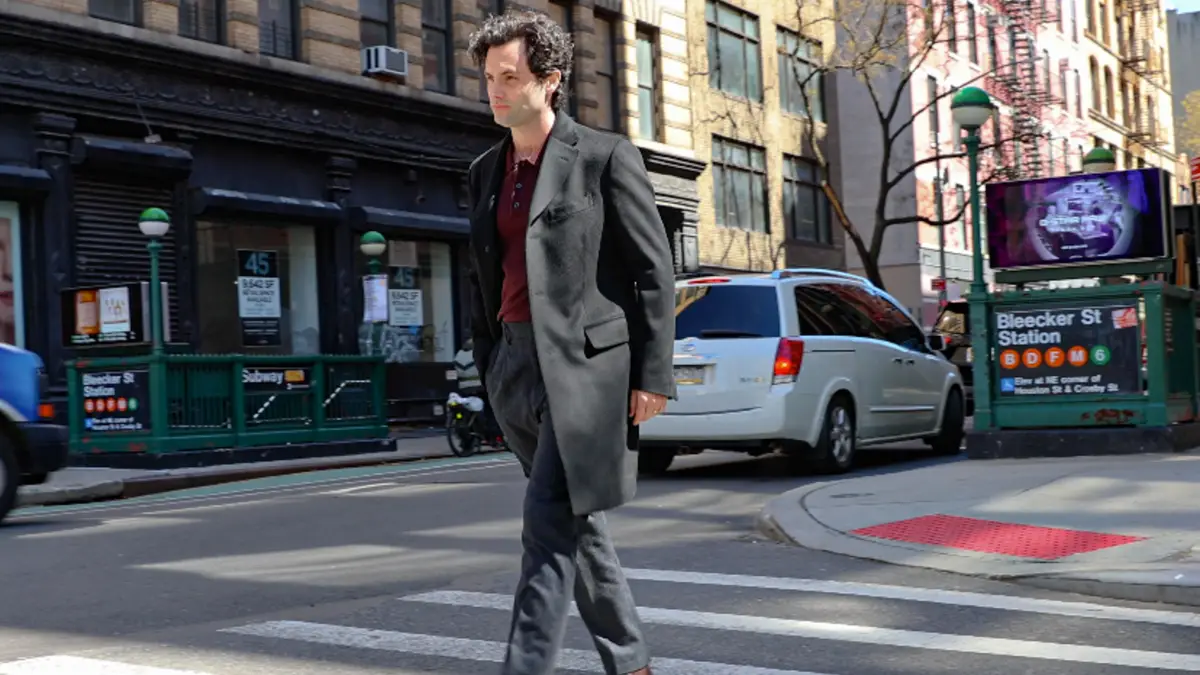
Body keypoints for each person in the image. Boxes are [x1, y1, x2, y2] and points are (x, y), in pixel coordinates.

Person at [465, 10, 676, 675]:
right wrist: (492, 365)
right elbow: (484, 275)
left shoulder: (604, 156)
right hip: (515, 368)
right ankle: (633, 660)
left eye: (510, 76)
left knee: (546, 525)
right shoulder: (484, 170)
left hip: (586, 371)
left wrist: (654, 374)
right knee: (577, 524)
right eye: (488, 78)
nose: (495, 90)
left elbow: (651, 270)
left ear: (550, 79)